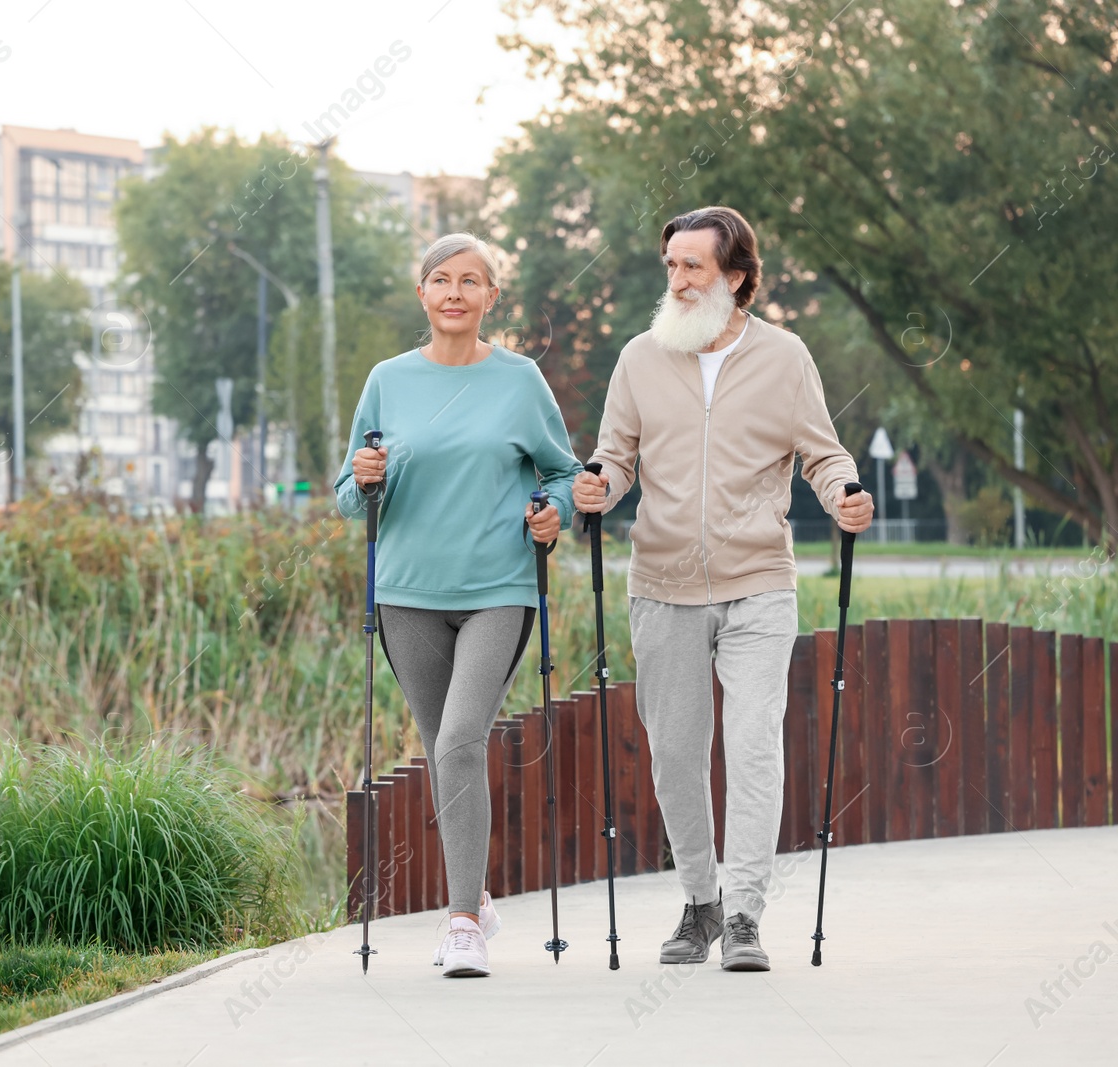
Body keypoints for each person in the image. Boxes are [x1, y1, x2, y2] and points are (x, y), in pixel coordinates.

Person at [573, 206, 873, 972]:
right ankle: (699, 903)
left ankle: (744, 914)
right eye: (670, 266)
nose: (676, 280)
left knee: (751, 747)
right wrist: (595, 486)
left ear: (735, 277)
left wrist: (844, 491)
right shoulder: (642, 356)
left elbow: (821, 452)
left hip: (757, 582)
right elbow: (616, 457)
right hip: (663, 581)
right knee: (674, 754)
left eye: (692, 267)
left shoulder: (784, 356)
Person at [335, 232, 583, 978]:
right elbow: (350, 499)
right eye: (440, 280)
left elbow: (565, 474)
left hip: (497, 588)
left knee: (458, 742)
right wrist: (365, 476)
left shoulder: (519, 380)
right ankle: (474, 889)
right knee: (443, 750)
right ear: (422, 294)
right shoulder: (387, 380)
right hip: (407, 592)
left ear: (489, 297)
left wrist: (554, 512)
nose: (454, 292)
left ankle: (463, 922)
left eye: (470, 281)